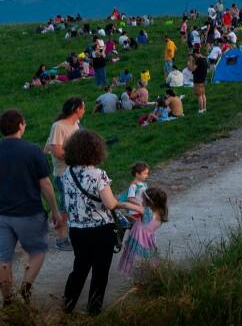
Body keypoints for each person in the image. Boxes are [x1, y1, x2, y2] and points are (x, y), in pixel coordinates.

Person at [61, 130, 142, 315]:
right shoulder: (98, 174)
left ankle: (67, 305)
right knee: (100, 271)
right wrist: (130, 205)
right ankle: (93, 310)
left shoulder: (68, 173)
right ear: (95, 150)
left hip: (76, 229)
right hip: (100, 230)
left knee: (79, 268)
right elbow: (110, 203)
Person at [0, 110, 64, 306]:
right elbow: (45, 184)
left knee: (3, 258)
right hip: (30, 213)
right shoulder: (33, 150)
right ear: (20, 125)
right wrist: (55, 210)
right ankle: (26, 287)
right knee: (37, 252)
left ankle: (8, 299)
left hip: (2, 214)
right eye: (24, 123)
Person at [46, 97, 85, 252]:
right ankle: (61, 239)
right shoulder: (59, 126)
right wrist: (75, 159)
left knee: (77, 205)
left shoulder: (76, 124)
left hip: (77, 172)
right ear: (76, 109)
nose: (84, 110)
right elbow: (56, 151)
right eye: (83, 107)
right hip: (64, 173)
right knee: (64, 206)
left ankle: (76, 235)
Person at [119, 187, 167, 276]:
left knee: (136, 265)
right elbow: (143, 225)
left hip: (138, 243)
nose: (141, 201)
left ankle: (138, 284)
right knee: (145, 265)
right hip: (148, 243)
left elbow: (126, 205)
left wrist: (114, 204)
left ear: (150, 202)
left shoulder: (146, 211)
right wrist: (128, 217)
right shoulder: (160, 212)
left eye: (143, 199)